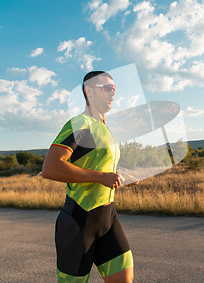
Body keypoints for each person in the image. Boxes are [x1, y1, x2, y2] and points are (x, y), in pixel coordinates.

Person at [42, 71, 137, 283]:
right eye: (106, 88)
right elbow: (50, 167)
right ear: (89, 92)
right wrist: (101, 177)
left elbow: (98, 163)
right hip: (79, 223)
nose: (113, 93)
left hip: (108, 219)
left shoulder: (104, 128)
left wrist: (121, 175)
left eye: (114, 88)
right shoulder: (81, 124)